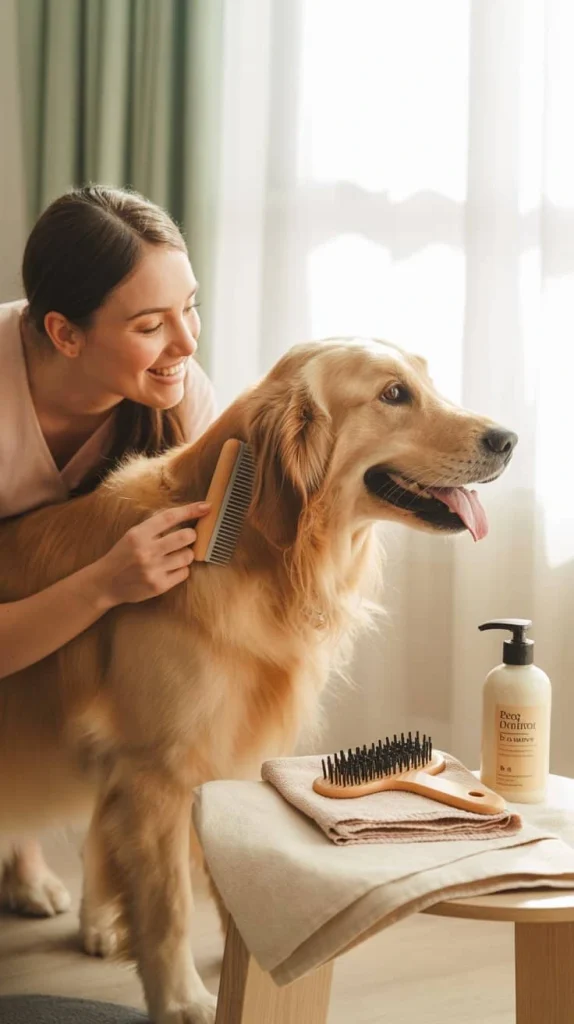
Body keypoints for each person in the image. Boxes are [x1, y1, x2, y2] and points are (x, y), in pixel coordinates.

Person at [0, 185, 216, 917]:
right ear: (65, 334)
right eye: (153, 324)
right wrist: (104, 583)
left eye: (192, 306)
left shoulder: (179, 390)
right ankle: (18, 843)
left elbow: (234, 513)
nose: (187, 343)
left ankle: (90, 858)